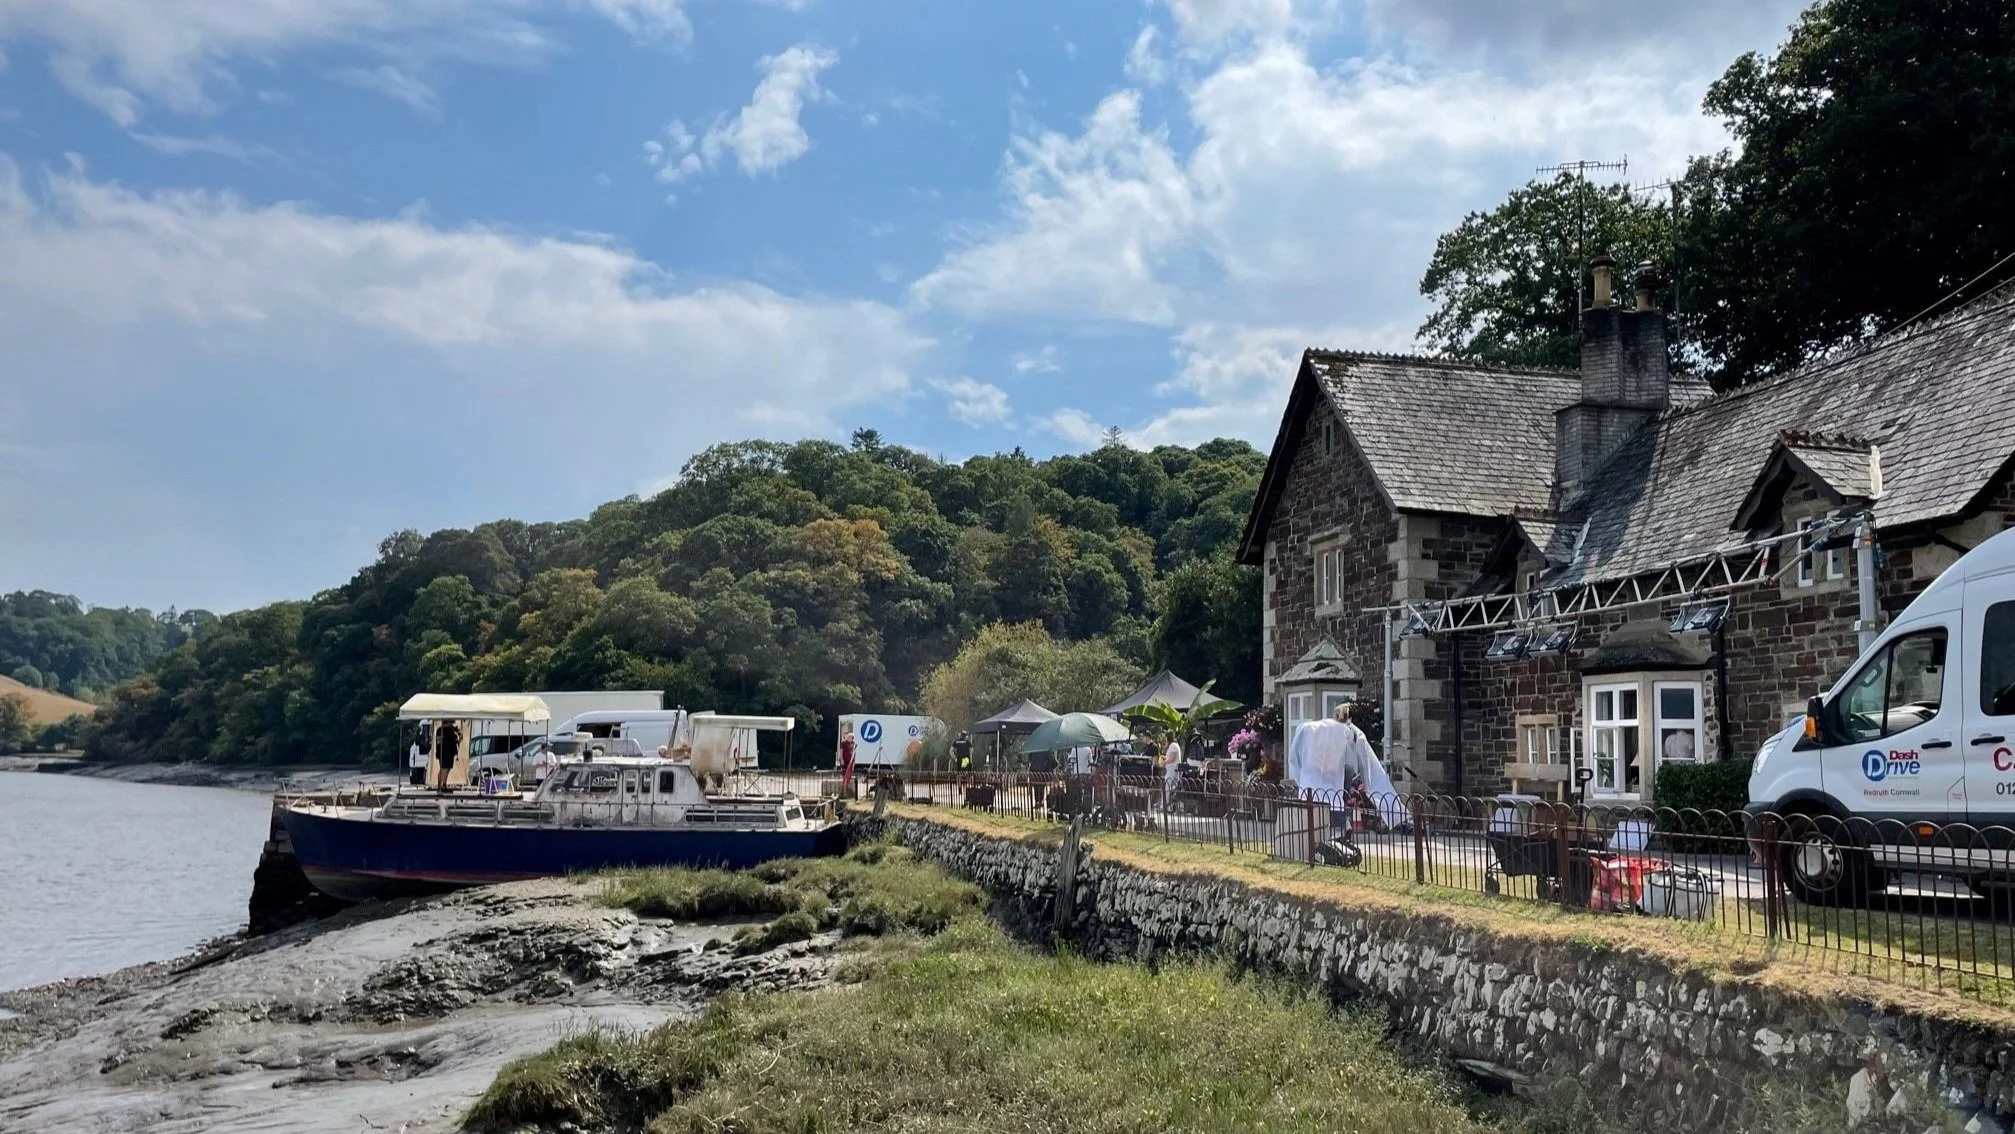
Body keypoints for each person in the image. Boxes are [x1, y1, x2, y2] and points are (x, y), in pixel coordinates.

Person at [838, 729, 858, 795]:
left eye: (851, 738)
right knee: (845, 774)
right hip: (845, 761)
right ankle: (843, 789)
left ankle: (847, 788)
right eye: (849, 737)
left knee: (849, 775)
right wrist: (842, 759)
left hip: (851, 761)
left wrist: (854, 762)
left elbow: (854, 753)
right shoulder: (843, 743)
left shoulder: (853, 744)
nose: (850, 738)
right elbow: (841, 751)